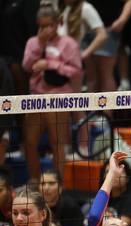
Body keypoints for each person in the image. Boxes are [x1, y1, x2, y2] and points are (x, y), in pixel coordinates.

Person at [22, 4, 82, 183]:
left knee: (58, 144)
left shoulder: (68, 44)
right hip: (36, 99)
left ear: (58, 23)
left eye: (49, 25)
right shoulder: (33, 42)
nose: (46, 29)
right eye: (42, 26)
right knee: (30, 142)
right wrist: (39, 44)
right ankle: (34, 180)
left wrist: (51, 65)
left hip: (59, 99)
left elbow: (77, 72)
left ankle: (58, 184)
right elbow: (26, 66)